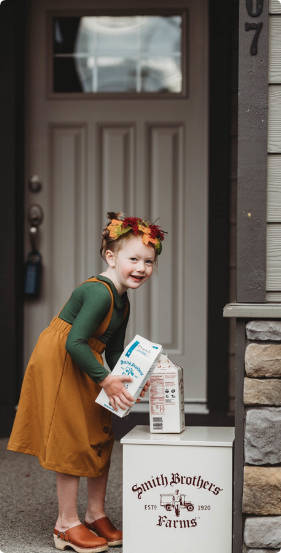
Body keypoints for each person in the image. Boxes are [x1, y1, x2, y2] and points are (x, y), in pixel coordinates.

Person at [7, 212, 165, 553]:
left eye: (149, 261)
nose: (141, 268)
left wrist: (134, 381)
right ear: (111, 257)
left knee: (100, 430)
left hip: (89, 361)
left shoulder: (122, 299)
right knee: (72, 437)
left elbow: (115, 350)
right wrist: (106, 380)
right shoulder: (99, 293)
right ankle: (65, 523)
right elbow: (74, 342)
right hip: (64, 360)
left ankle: (95, 514)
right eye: (133, 259)